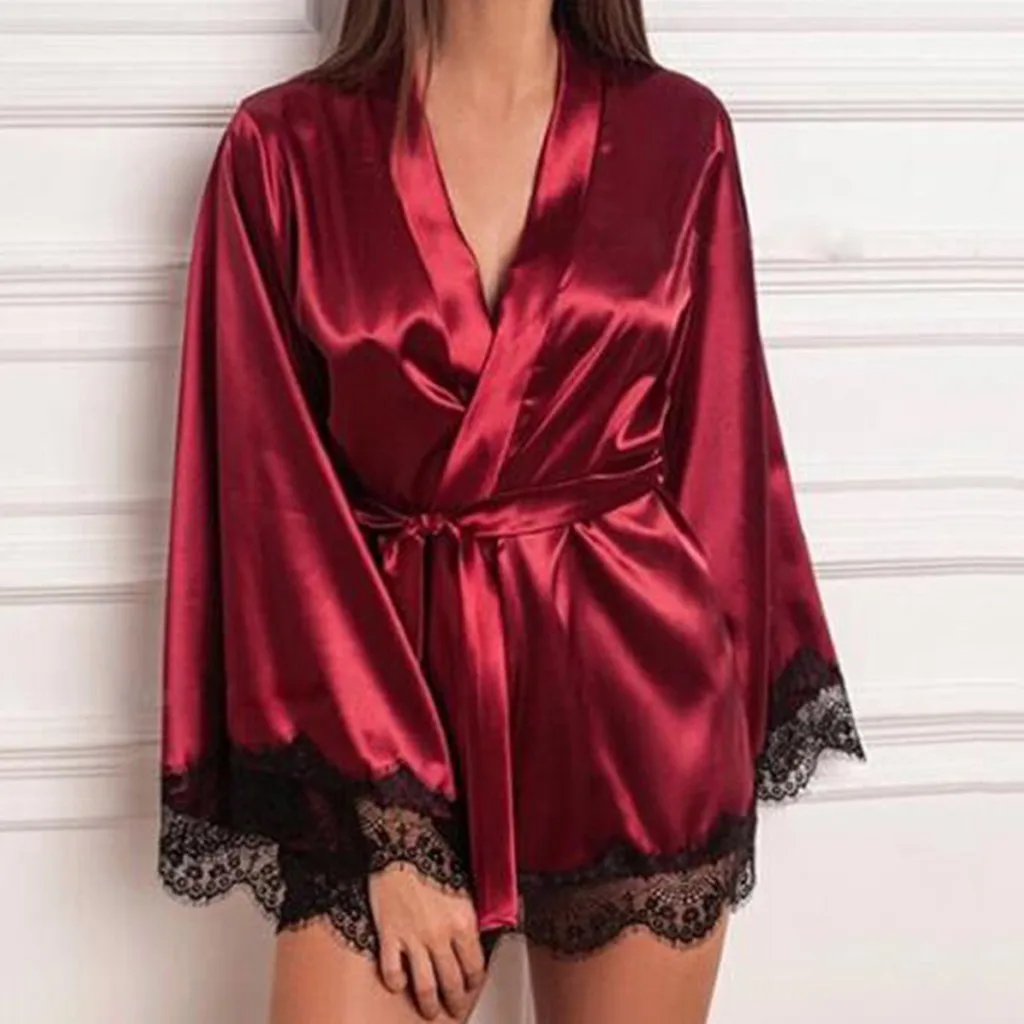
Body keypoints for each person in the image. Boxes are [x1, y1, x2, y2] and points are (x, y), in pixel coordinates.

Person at [157, 1, 867, 1021]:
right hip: (383, 702)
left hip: (631, 703)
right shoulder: (282, 147)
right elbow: (273, 499)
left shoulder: (680, 132)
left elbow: (722, 450)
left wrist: (721, 719)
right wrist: (387, 823)